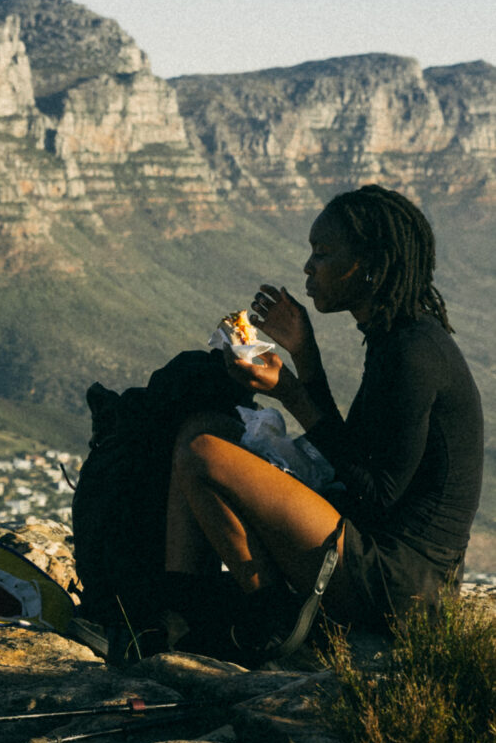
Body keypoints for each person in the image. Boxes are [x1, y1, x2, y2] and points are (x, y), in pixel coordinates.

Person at [164, 184, 483, 659]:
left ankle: (273, 623)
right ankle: (176, 624)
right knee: (204, 429)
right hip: (372, 550)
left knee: (204, 455)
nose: (309, 267)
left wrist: (291, 390)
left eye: (324, 253)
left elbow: (374, 493)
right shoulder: (393, 335)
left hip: (400, 584)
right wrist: (303, 352)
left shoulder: (414, 354)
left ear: (371, 266)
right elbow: (353, 450)